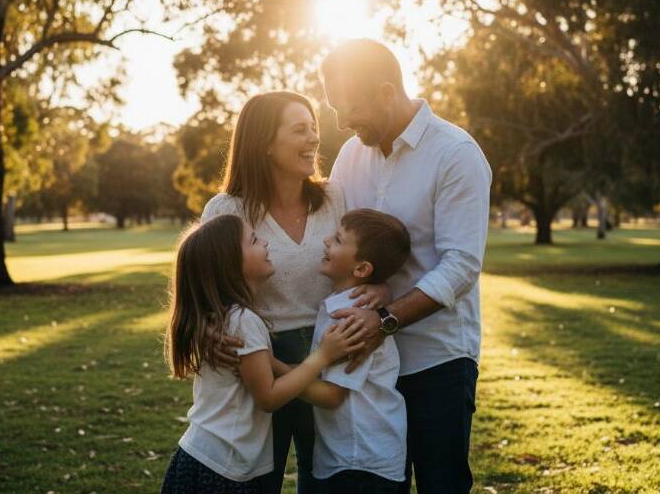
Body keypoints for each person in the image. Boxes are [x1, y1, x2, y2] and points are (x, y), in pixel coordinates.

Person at [321, 39, 492, 494]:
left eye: (348, 107)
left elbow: (462, 265)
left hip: (437, 359)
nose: (341, 122)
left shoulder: (456, 153)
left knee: (441, 485)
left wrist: (385, 318)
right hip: (369, 366)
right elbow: (336, 245)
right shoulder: (349, 157)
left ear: (384, 92)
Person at [200, 91, 351, 494]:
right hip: (256, 360)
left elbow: (363, 260)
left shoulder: (335, 198)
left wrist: (379, 288)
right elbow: (203, 291)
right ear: (265, 142)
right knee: (259, 482)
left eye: (314, 127)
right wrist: (208, 329)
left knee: (325, 479)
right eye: (300, 129)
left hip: (329, 350)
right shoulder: (225, 210)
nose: (314, 138)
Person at [160, 214, 366, 494]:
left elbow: (264, 375)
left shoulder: (225, 318)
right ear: (230, 264)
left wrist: (278, 364)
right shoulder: (243, 320)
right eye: (254, 240)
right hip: (222, 469)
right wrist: (323, 356)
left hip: (203, 456)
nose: (266, 243)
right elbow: (268, 397)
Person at [309, 209, 411, 493]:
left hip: (362, 463)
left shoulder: (351, 317)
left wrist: (271, 371)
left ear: (362, 269)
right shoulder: (337, 305)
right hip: (350, 458)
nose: (327, 241)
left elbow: (331, 395)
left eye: (338, 240)